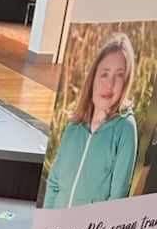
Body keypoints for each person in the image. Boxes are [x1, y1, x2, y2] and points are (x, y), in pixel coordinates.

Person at [44, 33, 138, 208]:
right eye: (104, 74)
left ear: (126, 83)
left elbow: (117, 197)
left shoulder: (125, 128)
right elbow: (54, 184)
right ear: (93, 78)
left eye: (119, 76)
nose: (109, 84)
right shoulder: (74, 126)